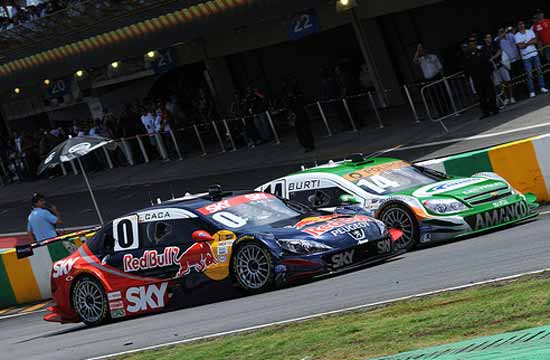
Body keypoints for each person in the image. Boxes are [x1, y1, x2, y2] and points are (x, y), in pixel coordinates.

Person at [463, 36, 498, 119]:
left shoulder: (482, 51)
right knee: (481, 96)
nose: (472, 44)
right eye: (470, 43)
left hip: (486, 76)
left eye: (473, 43)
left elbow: (488, 62)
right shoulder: (466, 55)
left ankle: (494, 108)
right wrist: (467, 78)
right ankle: (485, 112)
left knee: (490, 93)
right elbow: (466, 68)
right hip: (476, 78)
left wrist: (490, 73)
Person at [514, 20, 548, 98]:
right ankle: (532, 91)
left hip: (534, 54)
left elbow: (535, 40)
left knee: (539, 72)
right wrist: (529, 42)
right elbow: (520, 46)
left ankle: (542, 87)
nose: (521, 25)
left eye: (522, 24)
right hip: (525, 57)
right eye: (519, 24)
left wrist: (525, 43)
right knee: (529, 75)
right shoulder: (516, 35)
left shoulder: (529, 31)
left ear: (524, 24)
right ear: (517, 26)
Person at [482, 33, 515, 105]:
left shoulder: (494, 44)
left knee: (507, 81)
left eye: (490, 37)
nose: (489, 39)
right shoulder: (484, 48)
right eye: (487, 38)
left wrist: (492, 58)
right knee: (499, 84)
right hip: (493, 68)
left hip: (501, 64)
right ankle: (506, 98)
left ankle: (511, 97)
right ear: (484, 39)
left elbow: (499, 52)